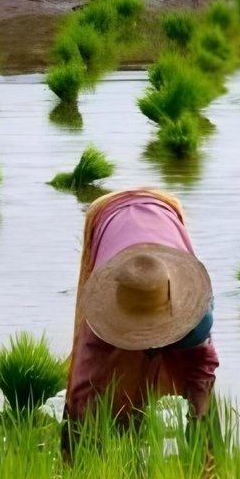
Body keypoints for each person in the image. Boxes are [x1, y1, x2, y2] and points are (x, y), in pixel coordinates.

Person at [63, 188, 218, 460]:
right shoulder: (102, 315)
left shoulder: (195, 313)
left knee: (199, 399)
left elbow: (202, 371)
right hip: (108, 215)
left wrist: (201, 431)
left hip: (165, 213)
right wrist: (78, 439)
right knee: (113, 373)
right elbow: (84, 383)